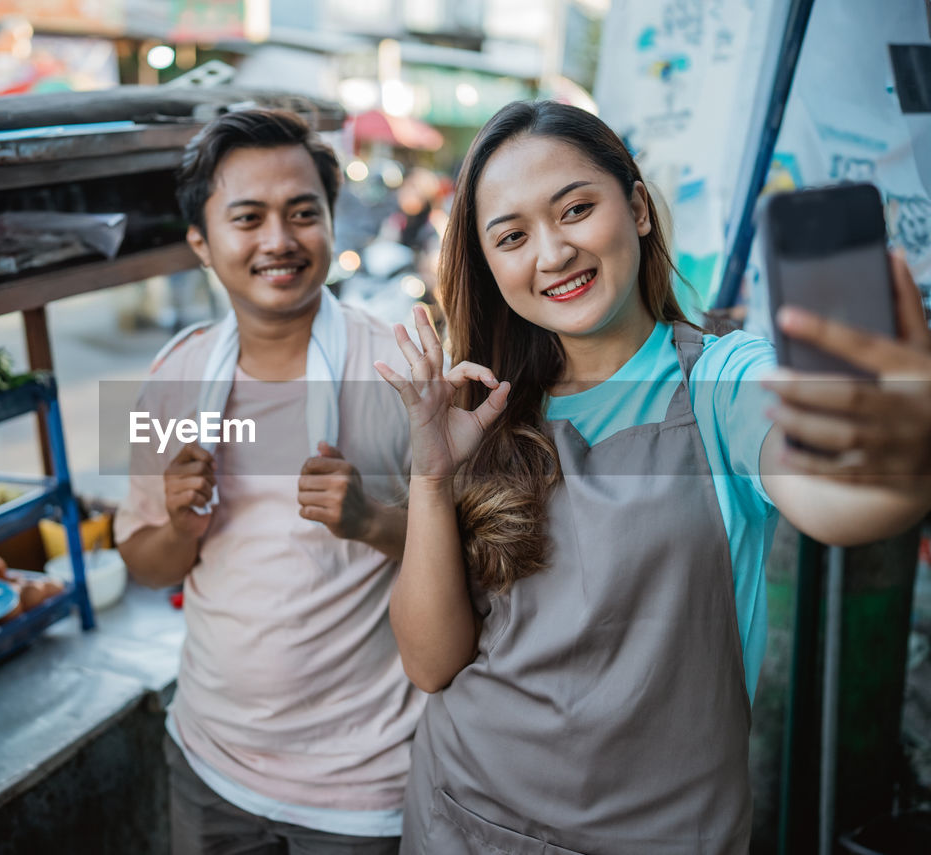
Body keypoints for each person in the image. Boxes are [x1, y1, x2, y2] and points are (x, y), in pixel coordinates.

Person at [373, 100, 931, 855]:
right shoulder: (483, 412)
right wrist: (432, 474)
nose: (552, 253)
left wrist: (898, 452)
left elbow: (839, 497)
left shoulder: (725, 380)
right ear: (488, 264)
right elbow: (432, 663)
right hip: (461, 818)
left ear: (636, 206)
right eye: (512, 236)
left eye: (575, 209)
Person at [115, 108, 423, 855]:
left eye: (302, 214)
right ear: (201, 241)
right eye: (247, 217)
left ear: (330, 221)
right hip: (208, 762)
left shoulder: (401, 369)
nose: (278, 241)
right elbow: (142, 561)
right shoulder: (173, 377)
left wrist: (372, 520)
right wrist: (183, 525)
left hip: (363, 784)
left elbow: (478, 551)